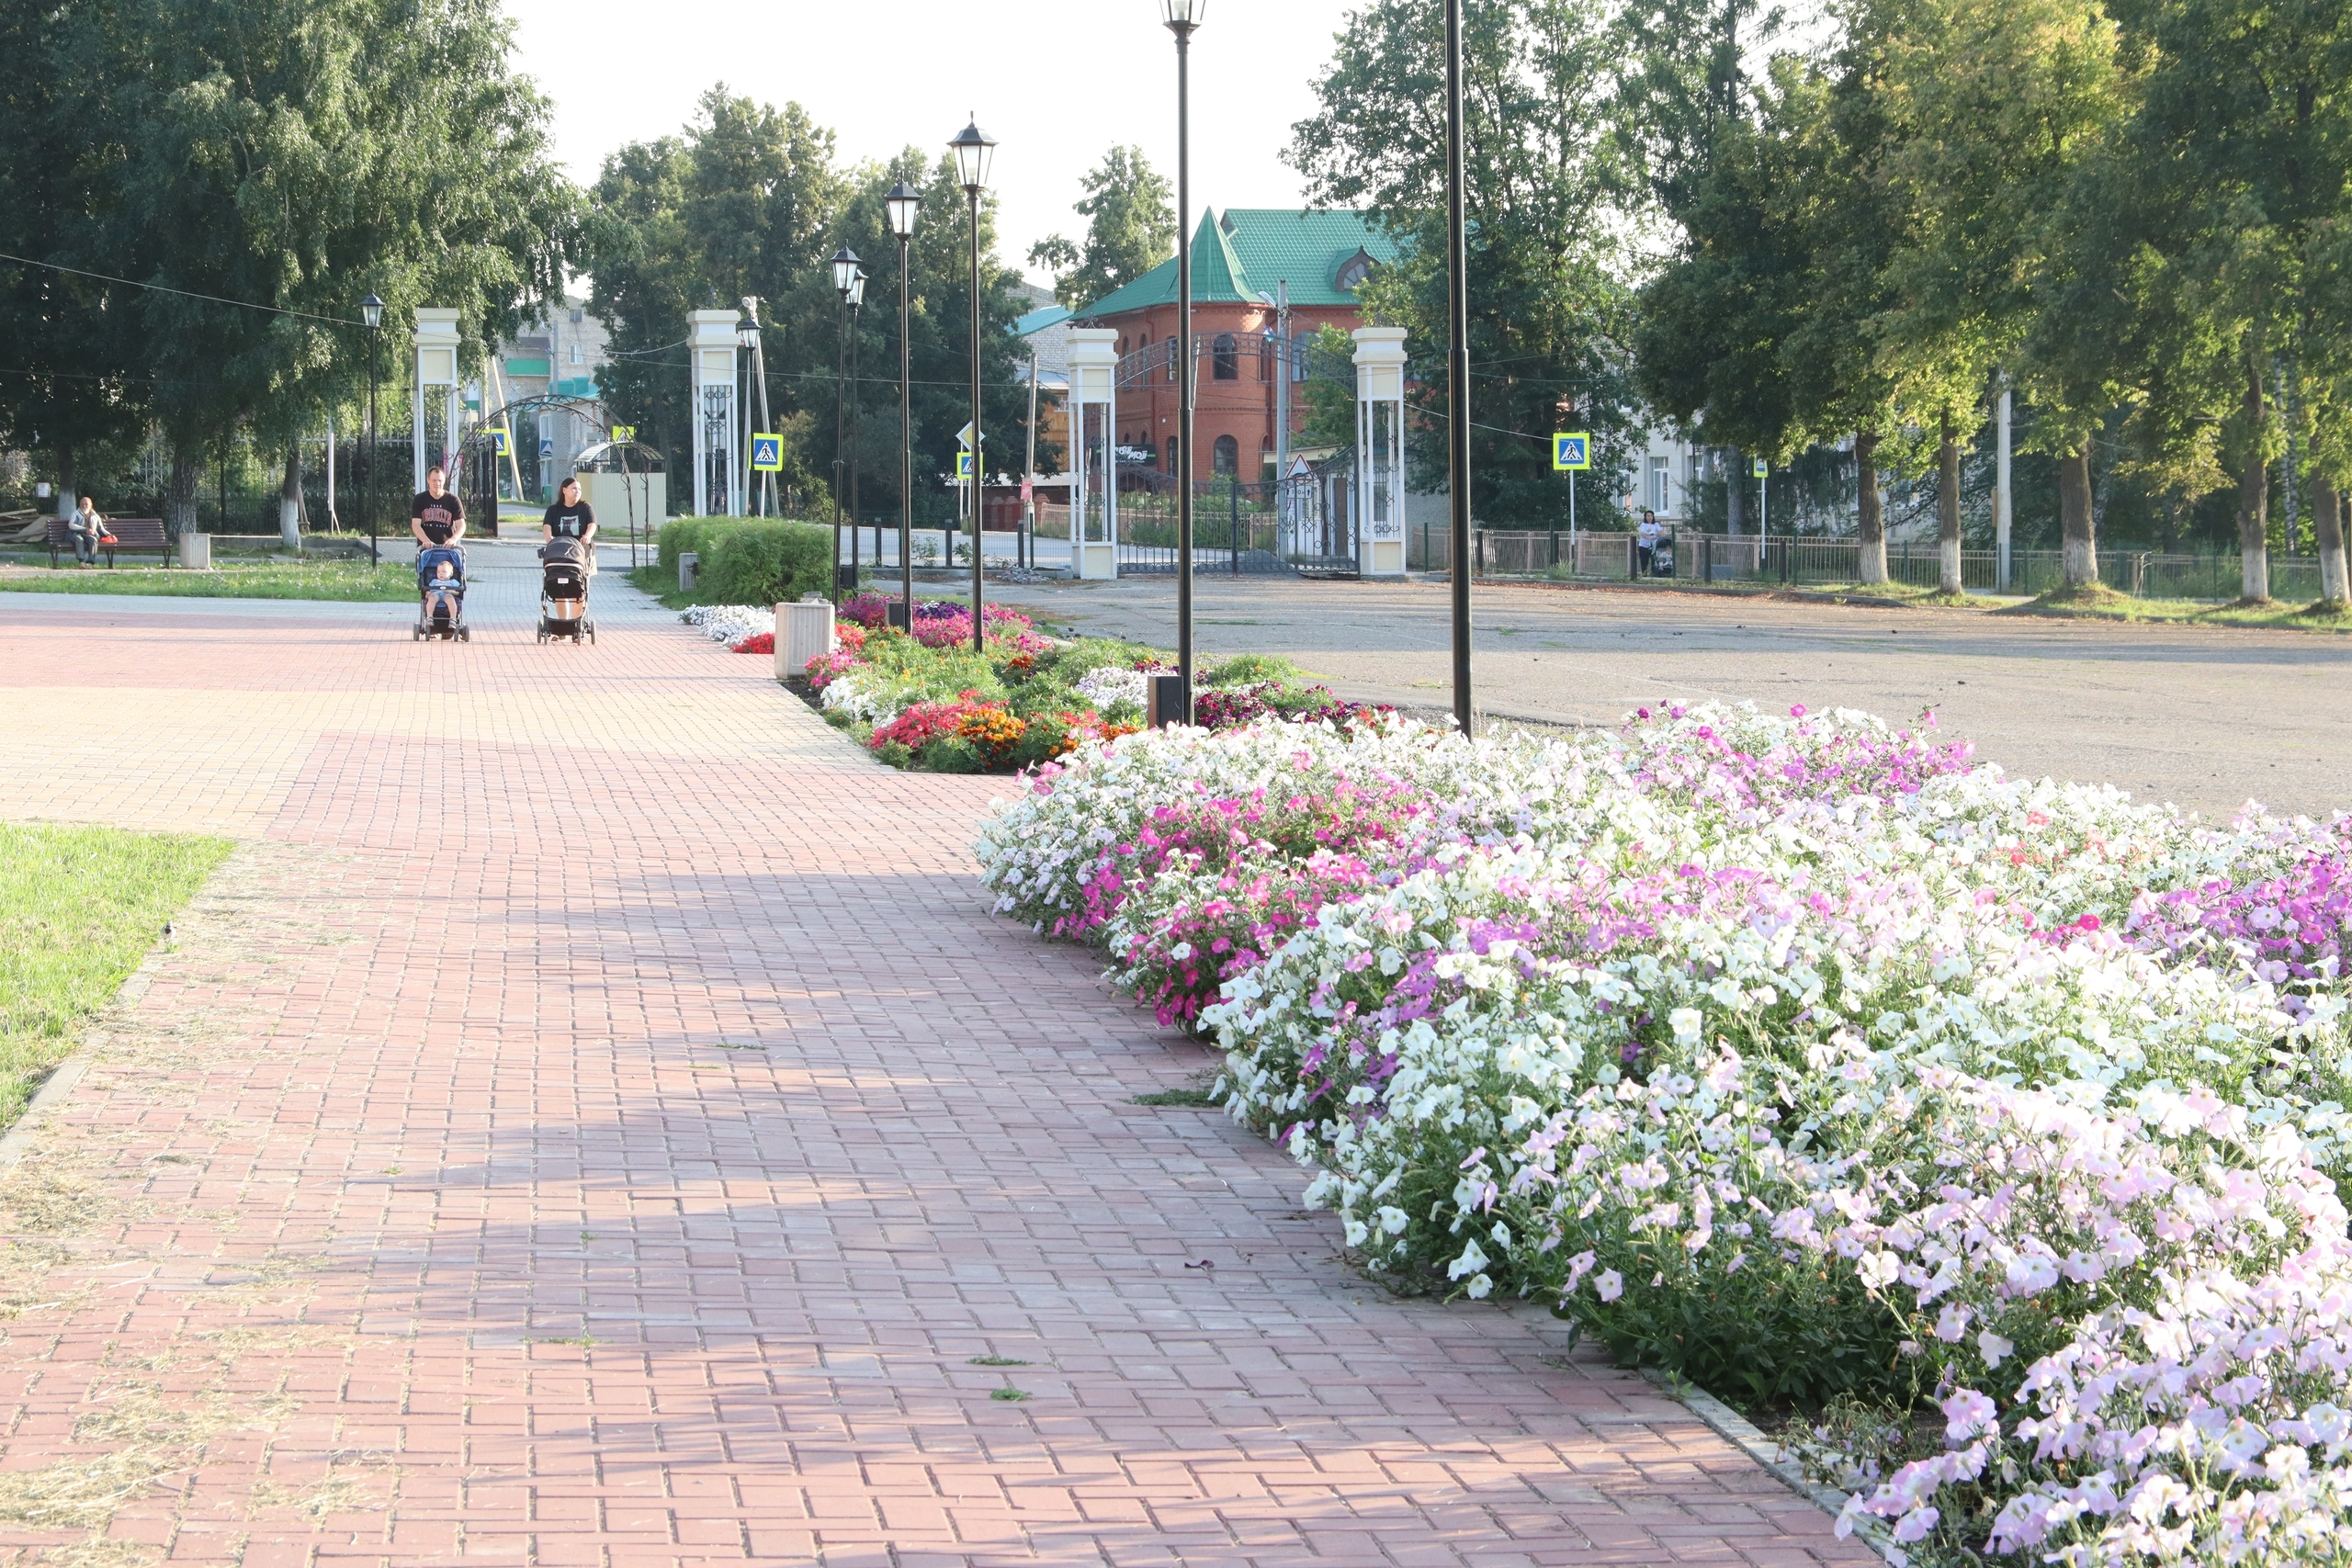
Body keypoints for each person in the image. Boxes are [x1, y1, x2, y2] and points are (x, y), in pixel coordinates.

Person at [541, 477, 596, 576]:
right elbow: (547, 527)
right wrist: (549, 538)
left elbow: (592, 524)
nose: (577, 491)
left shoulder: (586, 508)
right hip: (559, 552)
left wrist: (587, 536)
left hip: (581, 551)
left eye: (579, 489)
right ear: (564, 490)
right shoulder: (553, 510)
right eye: (574, 488)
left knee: (580, 581)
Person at [410, 466, 465, 550]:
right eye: (434, 480)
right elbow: (415, 525)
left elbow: (461, 525)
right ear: (428, 480)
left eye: (440, 480)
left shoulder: (453, 500)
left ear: (444, 481)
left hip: (447, 549)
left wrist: (453, 539)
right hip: (426, 550)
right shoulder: (419, 499)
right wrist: (426, 541)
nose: (437, 483)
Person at [66, 494, 106, 566]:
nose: (84, 506)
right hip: (75, 534)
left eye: (86, 504)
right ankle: (81, 562)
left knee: (93, 539)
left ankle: (90, 563)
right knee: (79, 539)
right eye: (82, 504)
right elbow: (71, 525)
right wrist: (85, 530)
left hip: (88, 535)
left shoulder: (95, 515)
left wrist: (109, 535)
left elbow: (101, 528)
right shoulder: (75, 513)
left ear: (91, 505)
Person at [1636, 509, 1661, 576]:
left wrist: (1656, 535)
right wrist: (1649, 537)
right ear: (1645, 517)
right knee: (1644, 561)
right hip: (1644, 545)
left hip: (1654, 545)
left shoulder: (1656, 524)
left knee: (1654, 560)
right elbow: (1643, 533)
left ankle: (1654, 574)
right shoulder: (1643, 524)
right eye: (1648, 516)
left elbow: (1660, 532)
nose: (1650, 517)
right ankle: (1644, 574)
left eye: (1651, 516)